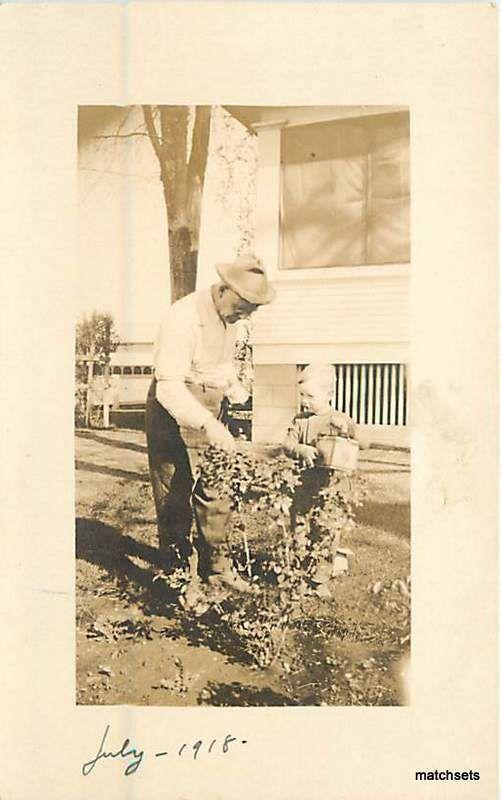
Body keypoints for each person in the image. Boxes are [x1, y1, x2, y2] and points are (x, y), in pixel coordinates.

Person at [145, 253, 275, 588]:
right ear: (223, 290)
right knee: (175, 493)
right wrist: (208, 424)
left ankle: (217, 570)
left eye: (252, 311)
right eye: (244, 307)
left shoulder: (229, 320)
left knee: (216, 488)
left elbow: (218, 367)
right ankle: (177, 575)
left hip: (208, 407)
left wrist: (236, 391)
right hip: (172, 409)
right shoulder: (183, 317)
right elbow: (168, 386)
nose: (245, 316)